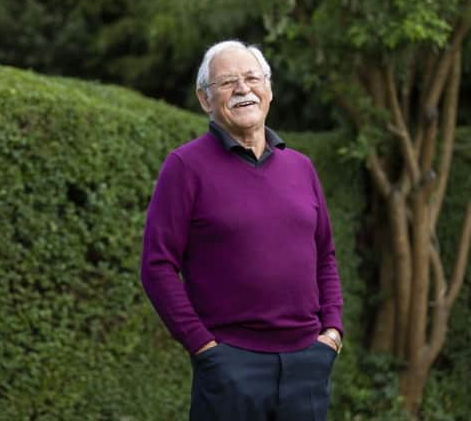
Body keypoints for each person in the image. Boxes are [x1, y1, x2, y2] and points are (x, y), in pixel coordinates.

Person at [140, 40, 344, 421]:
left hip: (307, 367)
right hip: (231, 367)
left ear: (268, 90)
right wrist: (204, 348)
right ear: (205, 100)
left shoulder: (301, 168)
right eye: (227, 82)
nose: (242, 89)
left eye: (252, 78)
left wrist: (331, 333)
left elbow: (325, 256)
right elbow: (156, 267)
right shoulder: (185, 167)